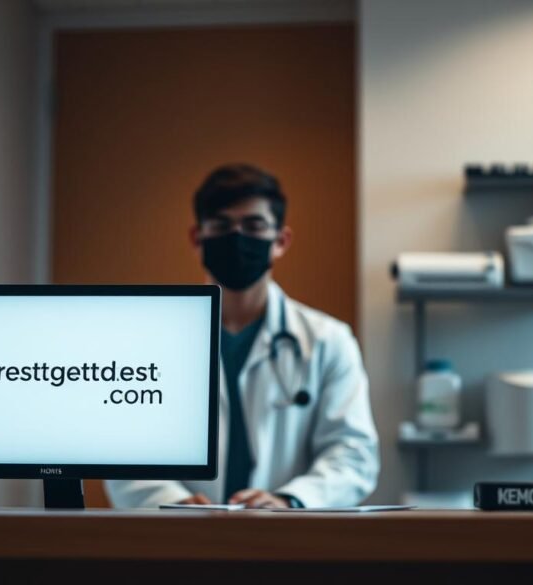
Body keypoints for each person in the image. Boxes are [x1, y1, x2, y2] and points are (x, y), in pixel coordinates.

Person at [106, 163, 379, 509]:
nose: (237, 238)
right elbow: (127, 451)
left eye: (254, 225)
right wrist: (175, 503)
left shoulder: (327, 341)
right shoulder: (151, 342)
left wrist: (289, 500)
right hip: (178, 540)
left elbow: (353, 454)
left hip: (290, 543)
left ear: (280, 241)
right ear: (197, 238)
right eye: (222, 226)